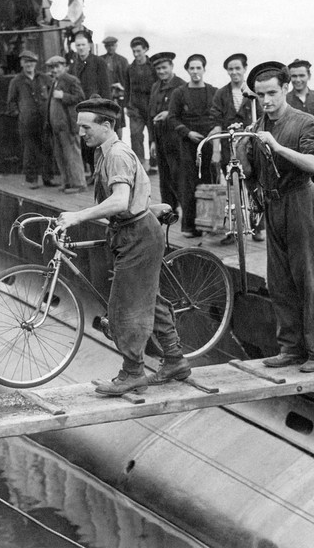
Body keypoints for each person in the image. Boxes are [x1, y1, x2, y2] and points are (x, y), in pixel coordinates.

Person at [57, 98, 191, 395]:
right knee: (149, 300)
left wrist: (77, 216)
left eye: (86, 127)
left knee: (125, 309)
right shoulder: (105, 152)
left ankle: (132, 373)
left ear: (106, 126)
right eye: (79, 127)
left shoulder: (116, 154)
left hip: (137, 235)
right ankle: (175, 361)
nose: (81, 133)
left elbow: (119, 201)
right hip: (133, 231)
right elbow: (130, 197)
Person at [238, 62, 314, 372]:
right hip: (273, 206)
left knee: (310, 278)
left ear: (285, 89)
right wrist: (252, 187)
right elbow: (251, 169)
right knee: (279, 281)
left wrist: (278, 147)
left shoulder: (304, 123)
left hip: (300, 202)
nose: (266, 100)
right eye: (260, 94)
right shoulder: (256, 128)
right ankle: (292, 348)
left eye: (271, 93)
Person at [209, 52, 262, 244]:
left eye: (237, 68)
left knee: (254, 184)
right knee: (232, 187)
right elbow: (215, 122)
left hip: (250, 147)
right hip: (227, 147)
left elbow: (262, 119)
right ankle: (233, 229)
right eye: (230, 69)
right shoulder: (221, 94)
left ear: (245, 69)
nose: (234, 72)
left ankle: (258, 226)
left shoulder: (254, 92)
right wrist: (215, 150)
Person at [169, 54, 217, 238]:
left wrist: (215, 130)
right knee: (189, 183)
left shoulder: (213, 91)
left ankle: (211, 224)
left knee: (210, 180)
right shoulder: (179, 93)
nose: (195, 72)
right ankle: (190, 226)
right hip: (188, 143)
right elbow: (172, 117)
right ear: (187, 70)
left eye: (199, 68)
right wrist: (187, 132)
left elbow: (219, 115)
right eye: (192, 68)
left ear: (204, 69)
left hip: (209, 141)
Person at [7, 50, 57, 188]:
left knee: (48, 148)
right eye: (26, 62)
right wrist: (20, 114)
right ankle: (32, 179)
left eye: (31, 62)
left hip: (45, 120)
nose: (29, 64)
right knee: (30, 151)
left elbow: (53, 94)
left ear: (35, 63)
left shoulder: (44, 78)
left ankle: (48, 178)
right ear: (22, 63)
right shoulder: (16, 81)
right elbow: (11, 102)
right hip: (27, 122)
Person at [148, 51, 185, 212]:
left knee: (178, 175)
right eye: (158, 69)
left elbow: (187, 114)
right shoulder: (156, 86)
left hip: (176, 139)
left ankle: (186, 209)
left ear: (171, 66)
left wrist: (169, 115)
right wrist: (152, 142)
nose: (161, 72)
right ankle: (169, 209)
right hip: (160, 137)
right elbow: (151, 115)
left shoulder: (181, 85)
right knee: (164, 177)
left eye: (164, 68)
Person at [70, 30, 111, 174]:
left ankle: (101, 173)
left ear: (89, 45)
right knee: (86, 143)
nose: (80, 48)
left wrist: (105, 110)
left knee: (98, 142)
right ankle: (94, 173)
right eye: (78, 45)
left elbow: (105, 87)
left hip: (96, 109)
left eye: (83, 44)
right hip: (81, 110)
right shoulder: (74, 64)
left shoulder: (99, 62)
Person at [46, 55, 87, 193]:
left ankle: (79, 184)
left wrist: (63, 96)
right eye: (52, 67)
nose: (54, 70)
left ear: (64, 67)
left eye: (57, 66)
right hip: (57, 126)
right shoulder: (54, 82)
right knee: (61, 156)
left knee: (72, 155)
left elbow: (81, 98)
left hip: (68, 126)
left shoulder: (71, 80)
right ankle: (67, 182)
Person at [124, 36, 156, 168]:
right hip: (135, 107)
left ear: (145, 49)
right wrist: (127, 105)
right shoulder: (130, 69)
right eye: (134, 51)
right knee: (135, 135)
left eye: (139, 51)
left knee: (154, 135)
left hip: (152, 105)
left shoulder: (153, 66)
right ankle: (140, 164)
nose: (136, 54)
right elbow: (127, 88)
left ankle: (155, 164)